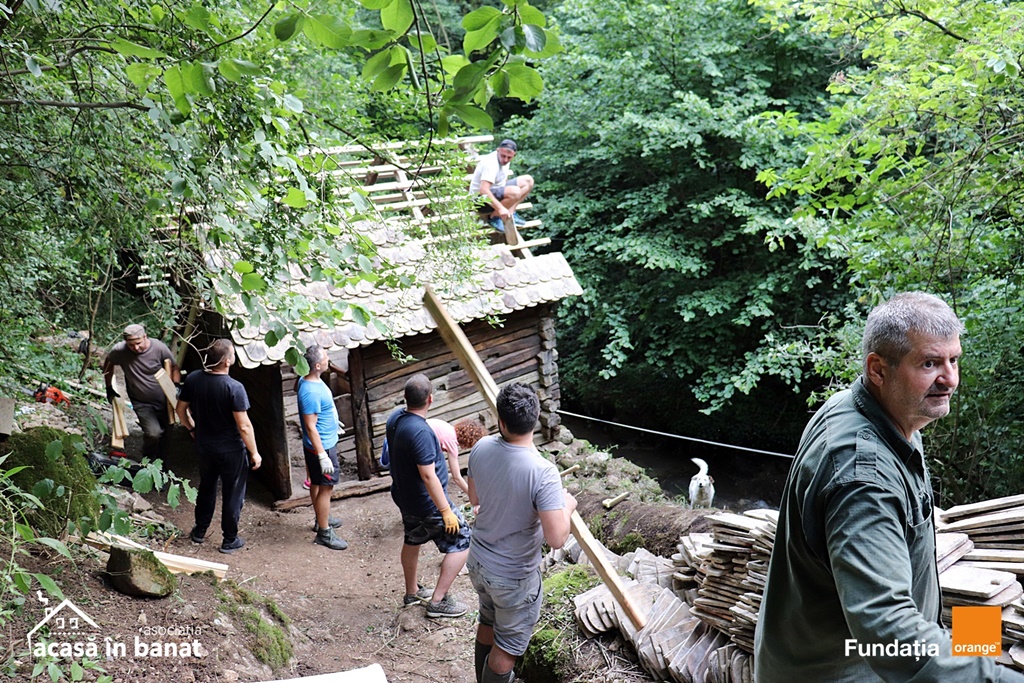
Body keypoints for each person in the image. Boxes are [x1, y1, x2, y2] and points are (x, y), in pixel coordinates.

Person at [755, 293, 1024, 682]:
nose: (949, 378)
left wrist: (979, 640)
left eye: (954, 360)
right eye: (929, 363)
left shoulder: (874, 411)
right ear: (878, 369)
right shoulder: (864, 476)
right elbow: (888, 626)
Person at [466, 382, 577, 683]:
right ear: (537, 418)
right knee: (507, 646)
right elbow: (556, 539)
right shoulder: (543, 472)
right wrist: (566, 506)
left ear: (500, 421)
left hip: (478, 562)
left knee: (488, 619)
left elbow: (474, 500)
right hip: (512, 577)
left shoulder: (481, 447)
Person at [386, 374, 472, 618]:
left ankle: (412, 591)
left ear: (406, 398)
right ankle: (438, 601)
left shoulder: (396, 418)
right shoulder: (420, 431)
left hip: (405, 495)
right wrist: (445, 511)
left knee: (413, 538)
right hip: (426, 503)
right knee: (463, 539)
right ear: (430, 399)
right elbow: (428, 475)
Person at [175, 339, 261, 554]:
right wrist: (254, 452)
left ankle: (200, 530)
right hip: (231, 450)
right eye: (232, 354)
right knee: (233, 493)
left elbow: (180, 409)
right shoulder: (234, 388)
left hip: (205, 446)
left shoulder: (194, 379)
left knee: (207, 486)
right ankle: (229, 539)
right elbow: (244, 426)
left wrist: (192, 429)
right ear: (227, 361)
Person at [102, 323, 180, 459]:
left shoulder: (159, 348)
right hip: (141, 401)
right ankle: (148, 459)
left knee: (167, 433)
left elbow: (174, 367)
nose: (135, 348)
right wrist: (109, 388)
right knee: (153, 433)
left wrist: (176, 386)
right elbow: (108, 364)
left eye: (138, 343)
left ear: (145, 336)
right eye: (131, 345)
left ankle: (163, 464)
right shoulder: (119, 351)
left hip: (164, 399)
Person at [298, 345, 348, 551]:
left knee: (317, 484)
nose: (329, 360)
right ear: (317, 365)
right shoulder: (310, 391)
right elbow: (310, 425)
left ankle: (321, 519)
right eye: (326, 358)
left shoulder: (307, 380)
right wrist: (322, 456)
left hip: (323, 442)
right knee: (326, 488)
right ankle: (324, 533)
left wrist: (333, 422)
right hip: (322, 447)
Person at [469, 139, 534, 233]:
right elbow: (483, 190)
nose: (505, 160)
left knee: (528, 181)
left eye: (509, 157)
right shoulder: (490, 164)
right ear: (497, 150)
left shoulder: (505, 159)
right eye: (503, 156)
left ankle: (511, 213)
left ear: (514, 155)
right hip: (480, 201)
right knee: (515, 192)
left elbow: (503, 179)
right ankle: (495, 217)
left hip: (495, 192)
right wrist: (501, 208)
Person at [426, 418, 469, 496]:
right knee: (442, 475)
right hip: (422, 441)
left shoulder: (448, 427)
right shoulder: (452, 441)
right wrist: (473, 495)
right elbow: (457, 477)